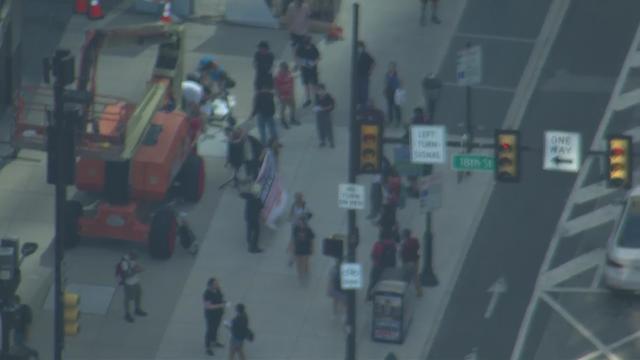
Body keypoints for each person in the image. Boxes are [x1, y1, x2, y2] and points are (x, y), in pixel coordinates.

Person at [118, 252, 148, 322]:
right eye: (135, 258)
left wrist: (139, 268)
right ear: (131, 255)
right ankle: (127, 314)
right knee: (127, 299)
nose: (136, 259)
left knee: (139, 294)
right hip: (129, 284)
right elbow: (126, 275)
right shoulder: (124, 263)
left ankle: (137, 309)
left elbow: (135, 266)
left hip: (135, 281)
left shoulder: (132, 259)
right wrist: (136, 271)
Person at [366, 236, 397, 300]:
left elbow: (373, 255)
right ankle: (385, 297)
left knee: (373, 281)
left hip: (378, 266)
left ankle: (368, 295)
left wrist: (376, 262)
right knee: (387, 282)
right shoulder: (393, 244)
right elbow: (394, 255)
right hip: (389, 268)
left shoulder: (378, 244)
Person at [295, 35, 320, 107]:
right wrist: (303, 63)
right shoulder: (300, 47)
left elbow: (318, 57)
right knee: (306, 85)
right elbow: (297, 57)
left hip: (312, 68)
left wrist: (314, 63)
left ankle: (317, 99)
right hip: (304, 69)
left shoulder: (313, 47)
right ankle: (308, 99)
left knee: (314, 84)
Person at [204, 278, 227, 356]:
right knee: (210, 330)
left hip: (218, 314)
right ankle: (208, 347)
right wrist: (221, 305)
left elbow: (220, 298)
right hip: (211, 316)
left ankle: (214, 341)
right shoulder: (207, 294)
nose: (217, 285)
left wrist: (223, 302)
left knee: (216, 328)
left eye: (217, 283)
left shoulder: (218, 290)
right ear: (210, 285)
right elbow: (208, 306)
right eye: (215, 284)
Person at [239, 184, 264, 253]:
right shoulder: (257, 200)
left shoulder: (249, 196)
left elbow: (241, 194)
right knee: (256, 232)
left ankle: (249, 242)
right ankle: (253, 247)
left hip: (248, 216)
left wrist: (248, 190)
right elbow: (261, 206)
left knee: (249, 230)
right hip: (254, 219)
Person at [274, 62, 299, 126]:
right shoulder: (277, 77)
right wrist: (279, 96)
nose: (285, 71)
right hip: (282, 95)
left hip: (289, 94)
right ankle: (283, 121)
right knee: (283, 108)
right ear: (281, 69)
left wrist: (292, 93)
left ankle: (292, 119)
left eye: (286, 69)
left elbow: (291, 83)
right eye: (284, 69)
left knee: (293, 106)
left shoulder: (289, 74)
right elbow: (276, 88)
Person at [401, 229, 423, 297]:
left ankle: (402, 292)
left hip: (407, 262)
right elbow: (418, 247)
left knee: (405, 277)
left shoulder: (404, 244)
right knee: (415, 277)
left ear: (405, 236)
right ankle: (419, 292)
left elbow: (402, 255)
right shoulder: (415, 240)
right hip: (416, 261)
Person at [314, 83, 335, 148]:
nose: (318, 91)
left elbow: (332, 106)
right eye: (317, 90)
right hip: (319, 114)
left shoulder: (328, 96)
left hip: (326, 114)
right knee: (320, 127)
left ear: (323, 90)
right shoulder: (317, 96)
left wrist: (324, 108)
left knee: (328, 128)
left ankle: (331, 141)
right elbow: (316, 104)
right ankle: (322, 141)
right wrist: (316, 108)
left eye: (319, 90)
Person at [356, 41, 375, 107]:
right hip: (357, 76)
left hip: (364, 75)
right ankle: (358, 105)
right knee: (358, 91)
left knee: (364, 92)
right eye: (357, 47)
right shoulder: (355, 55)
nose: (358, 48)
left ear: (362, 47)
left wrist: (370, 71)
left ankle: (364, 105)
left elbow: (373, 62)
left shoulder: (365, 54)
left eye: (359, 47)